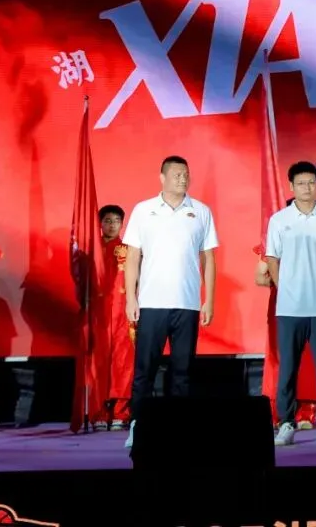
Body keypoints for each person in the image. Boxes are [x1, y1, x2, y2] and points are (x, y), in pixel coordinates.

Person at [122, 156, 219, 449]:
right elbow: (133, 257)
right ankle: (138, 425)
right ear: (162, 177)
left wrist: (209, 300)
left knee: (182, 370)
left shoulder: (200, 211)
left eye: (186, 174)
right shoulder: (144, 210)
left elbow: (209, 258)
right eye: (176, 174)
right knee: (145, 369)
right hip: (152, 302)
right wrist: (131, 298)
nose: (182, 179)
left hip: (187, 304)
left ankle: (179, 428)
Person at [267, 162, 316, 447]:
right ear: (291, 186)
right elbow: (272, 258)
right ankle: (286, 423)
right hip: (290, 308)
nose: (307, 188)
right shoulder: (279, 220)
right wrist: (284, 286)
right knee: (288, 368)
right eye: (301, 183)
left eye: (311, 182)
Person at [257, 197, 316, 430]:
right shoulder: (275, 238)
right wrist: (282, 282)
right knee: (280, 355)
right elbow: (259, 277)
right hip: (282, 303)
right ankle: (278, 410)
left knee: (308, 355)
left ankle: (306, 410)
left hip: (311, 302)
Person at [88, 205, 135, 431]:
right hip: (97, 315)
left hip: (123, 315)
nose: (112, 225)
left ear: (122, 224)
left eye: (116, 221)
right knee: (98, 363)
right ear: (100, 223)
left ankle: (120, 412)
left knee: (123, 363)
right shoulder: (91, 251)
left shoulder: (130, 250)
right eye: (107, 220)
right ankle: (98, 411)